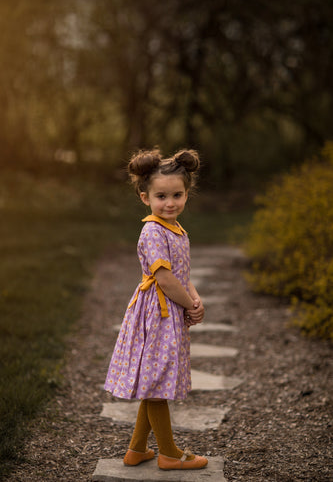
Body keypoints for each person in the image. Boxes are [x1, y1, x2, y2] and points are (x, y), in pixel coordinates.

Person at [104, 147, 208, 471]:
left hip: (170, 312)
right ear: (145, 197)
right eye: (161, 196)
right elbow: (164, 279)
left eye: (177, 194)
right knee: (158, 383)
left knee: (155, 381)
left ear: (187, 194)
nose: (170, 202)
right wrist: (188, 302)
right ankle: (169, 453)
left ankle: (136, 449)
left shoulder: (177, 230)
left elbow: (182, 275)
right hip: (157, 315)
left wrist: (195, 298)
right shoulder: (152, 230)